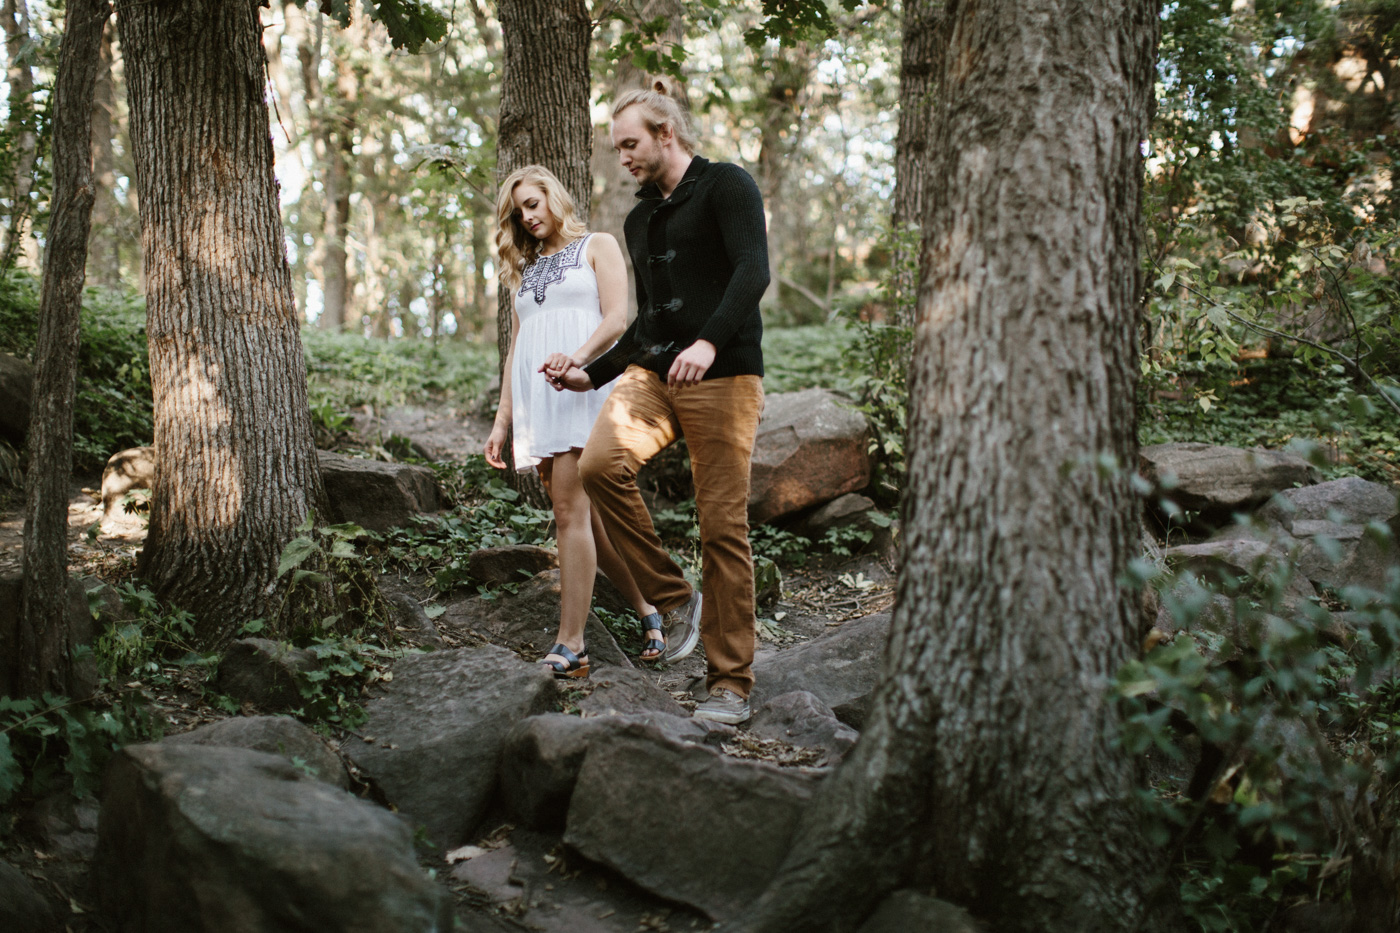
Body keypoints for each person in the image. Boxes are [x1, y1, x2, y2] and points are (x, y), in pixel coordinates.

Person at [549, 89, 768, 724]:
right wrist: (592, 376)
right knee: (598, 466)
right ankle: (676, 598)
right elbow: (647, 321)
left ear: (666, 132)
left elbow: (752, 271)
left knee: (722, 526)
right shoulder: (641, 220)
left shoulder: (727, 186)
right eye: (618, 148)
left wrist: (708, 341)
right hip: (654, 376)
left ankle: (730, 683)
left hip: (723, 376)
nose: (623, 160)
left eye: (630, 144)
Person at [485, 164, 660, 678]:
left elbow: (616, 319)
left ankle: (573, 644)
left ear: (553, 197)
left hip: (584, 389)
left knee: (567, 513)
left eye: (533, 204)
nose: (528, 216)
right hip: (541, 402)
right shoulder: (525, 268)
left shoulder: (597, 246)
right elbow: (518, 345)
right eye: (519, 211)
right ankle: (651, 609)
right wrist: (503, 421)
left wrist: (576, 360)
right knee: (590, 523)